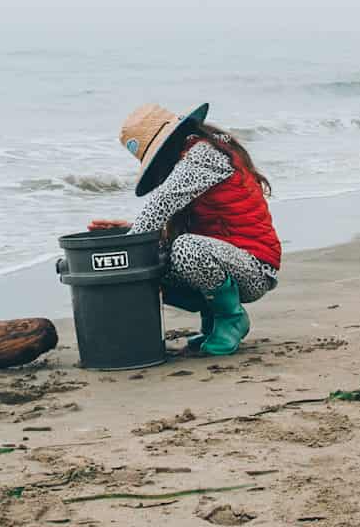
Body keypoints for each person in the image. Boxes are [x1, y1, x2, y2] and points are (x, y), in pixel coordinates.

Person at [88, 102, 280, 356]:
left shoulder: (204, 154)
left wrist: (130, 248)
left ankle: (231, 319)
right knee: (163, 256)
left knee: (186, 248)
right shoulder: (191, 155)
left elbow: (161, 203)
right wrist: (132, 231)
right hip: (224, 256)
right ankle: (213, 321)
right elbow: (170, 221)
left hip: (255, 268)